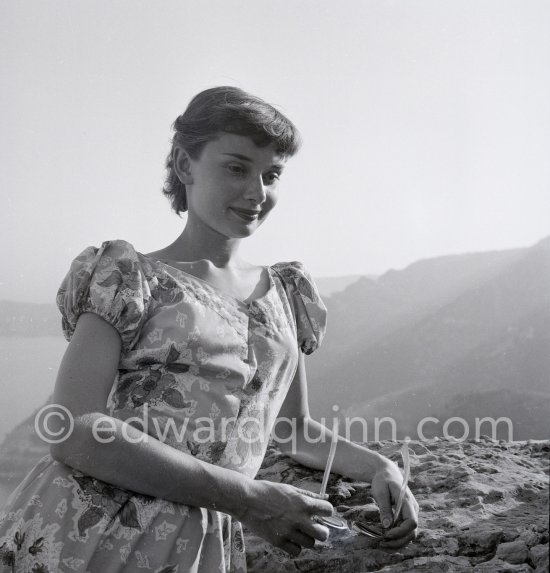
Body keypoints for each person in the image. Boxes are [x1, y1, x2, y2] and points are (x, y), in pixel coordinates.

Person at [0, 86, 418, 572]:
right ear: (184, 165)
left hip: (201, 544)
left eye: (272, 174)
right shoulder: (127, 277)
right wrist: (246, 499)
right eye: (237, 168)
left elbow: (291, 430)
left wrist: (380, 468)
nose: (258, 192)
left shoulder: (286, 293)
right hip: (92, 533)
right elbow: (73, 428)